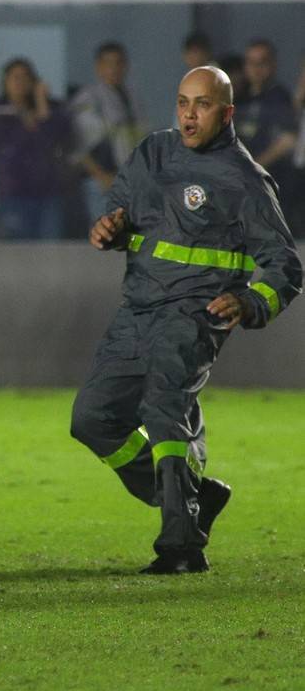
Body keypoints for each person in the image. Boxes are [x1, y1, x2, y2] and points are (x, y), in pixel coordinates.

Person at [74, 66, 300, 575]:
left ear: (227, 112)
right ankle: (192, 495)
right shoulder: (153, 152)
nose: (188, 115)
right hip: (137, 309)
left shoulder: (246, 180)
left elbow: (286, 266)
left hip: (196, 314)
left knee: (163, 409)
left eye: (201, 105)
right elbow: (121, 212)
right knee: (92, 418)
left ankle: (181, 545)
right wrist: (110, 228)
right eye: (182, 103)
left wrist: (249, 302)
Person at [0, 58, 70, 240]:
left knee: (50, 247)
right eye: (15, 78)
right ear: (5, 82)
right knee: (18, 248)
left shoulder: (51, 107)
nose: (20, 83)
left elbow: (54, 138)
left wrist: (41, 104)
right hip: (13, 190)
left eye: (25, 78)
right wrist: (25, 122)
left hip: (47, 191)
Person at [70, 43, 146, 223]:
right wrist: (101, 176)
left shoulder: (132, 97)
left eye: (119, 63)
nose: (114, 69)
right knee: (103, 235)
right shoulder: (89, 98)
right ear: (98, 67)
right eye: (108, 63)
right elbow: (78, 146)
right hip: (101, 183)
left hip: (129, 181)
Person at [235, 39, 297, 198]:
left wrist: (254, 166)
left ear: (273, 64)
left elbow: (288, 141)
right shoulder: (240, 97)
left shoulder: (279, 98)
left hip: (271, 184)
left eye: (262, 62)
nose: (256, 68)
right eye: (251, 62)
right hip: (241, 185)